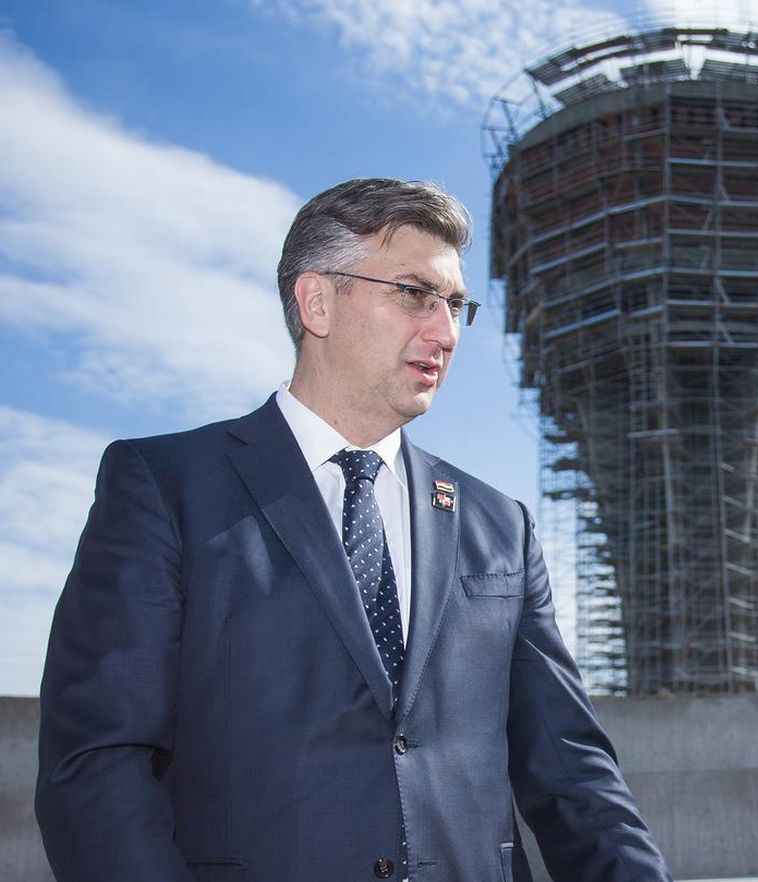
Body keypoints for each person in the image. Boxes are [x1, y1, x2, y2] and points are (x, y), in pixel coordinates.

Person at [35, 178, 672, 882]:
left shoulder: (501, 525)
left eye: (456, 305)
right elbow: (97, 764)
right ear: (317, 302)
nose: (446, 331)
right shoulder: (164, 486)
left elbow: (574, 775)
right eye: (413, 294)